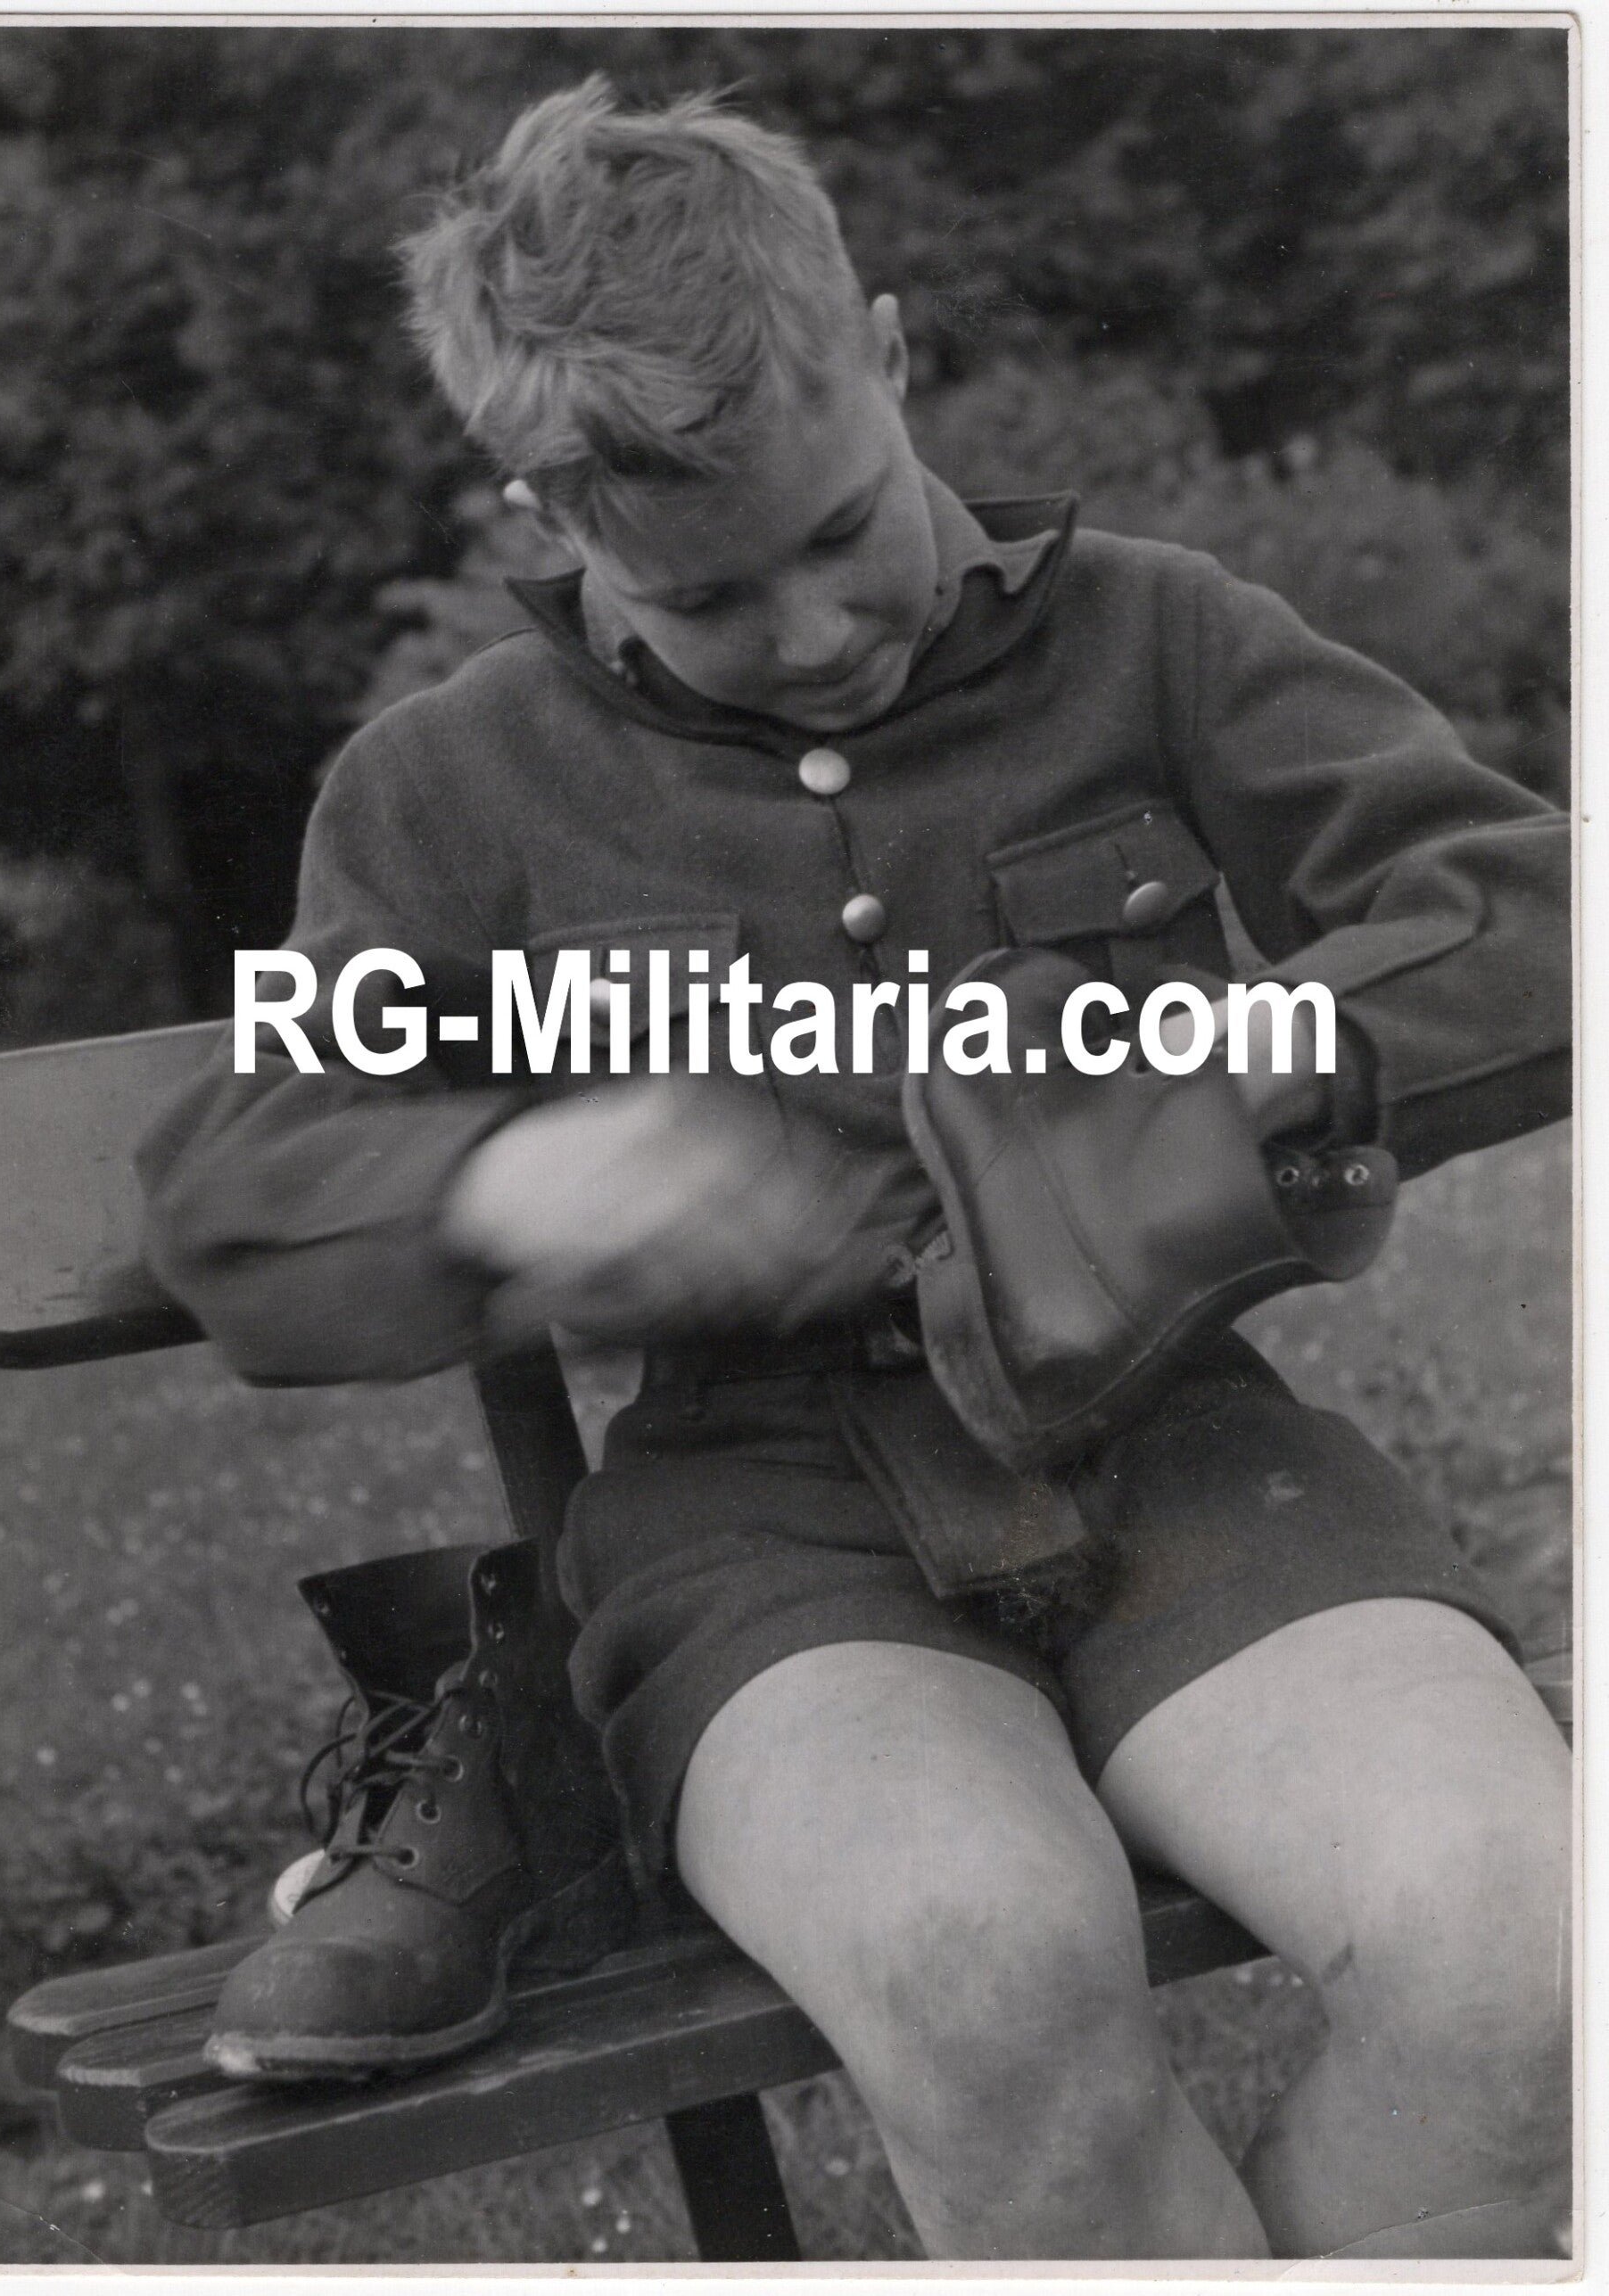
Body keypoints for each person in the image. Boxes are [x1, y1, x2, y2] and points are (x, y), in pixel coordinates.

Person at [138, 78, 1572, 2259]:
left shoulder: (1159, 635)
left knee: (1528, 1945)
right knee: (984, 1978)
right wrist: (499, 1194)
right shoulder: (448, 788)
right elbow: (239, 1193)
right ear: (550, 511)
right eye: (715, 591)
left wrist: (1268, 1059)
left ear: (887, 355)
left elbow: (1533, 914)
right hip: (757, 1530)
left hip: (1192, 1452)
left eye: (839, 531)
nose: (813, 630)